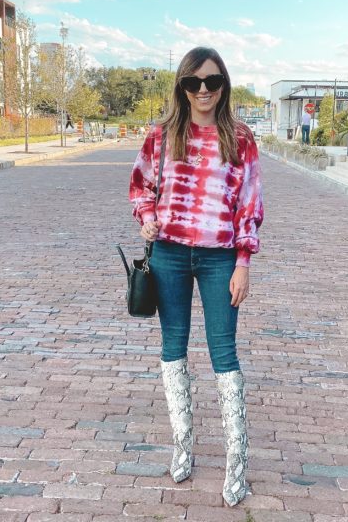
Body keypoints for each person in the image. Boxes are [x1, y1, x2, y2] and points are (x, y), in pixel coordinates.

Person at [129, 46, 264, 507]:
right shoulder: (162, 134)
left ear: (224, 85)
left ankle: (236, 464)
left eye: (212, 82)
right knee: (173, 350)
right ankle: (183, 447)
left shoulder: (240, 138)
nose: (203, 91)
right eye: (194, 82)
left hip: (219, 259)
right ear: (182, 87)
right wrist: (146, 217)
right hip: (167, 254)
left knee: (224, 355)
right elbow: (141, 186)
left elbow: (249, 203)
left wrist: (244, 261)